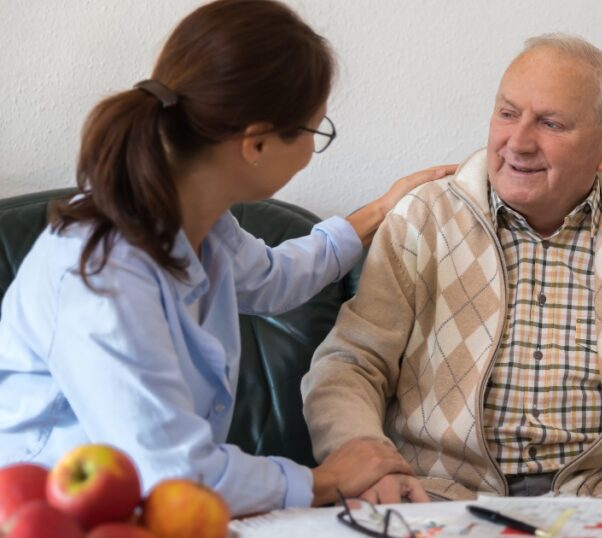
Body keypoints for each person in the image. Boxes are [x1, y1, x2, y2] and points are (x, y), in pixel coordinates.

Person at [0, 0, 454, 516]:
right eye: (315, 131)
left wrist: (379, 210)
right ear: (256, 143)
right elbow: (171, 472)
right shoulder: (103, 278)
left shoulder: (199, 218)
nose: (311, 151)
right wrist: (324, 479)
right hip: (49, 515)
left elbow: (274, 278)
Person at [301, 33, 602, 503]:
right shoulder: (423, 218)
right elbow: (351, 364)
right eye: (508, 113)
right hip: (437, 493)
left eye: (551, 124)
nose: (518, 142)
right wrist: (370, 462)